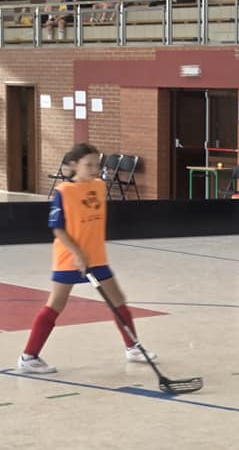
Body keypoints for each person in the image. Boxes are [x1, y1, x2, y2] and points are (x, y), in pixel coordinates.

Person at [16, 143, 156, 374]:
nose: (94, 169)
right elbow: (58, 229)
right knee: (55, 305)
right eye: (88, 165)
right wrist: (78, 253)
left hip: (97, 257)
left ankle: (133, 348)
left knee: (118, 300)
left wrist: (88, 253)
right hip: (69, 258)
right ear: (74, 165)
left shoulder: (99, 186)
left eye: (96, 165)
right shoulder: (63, 192)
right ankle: (28, 356)